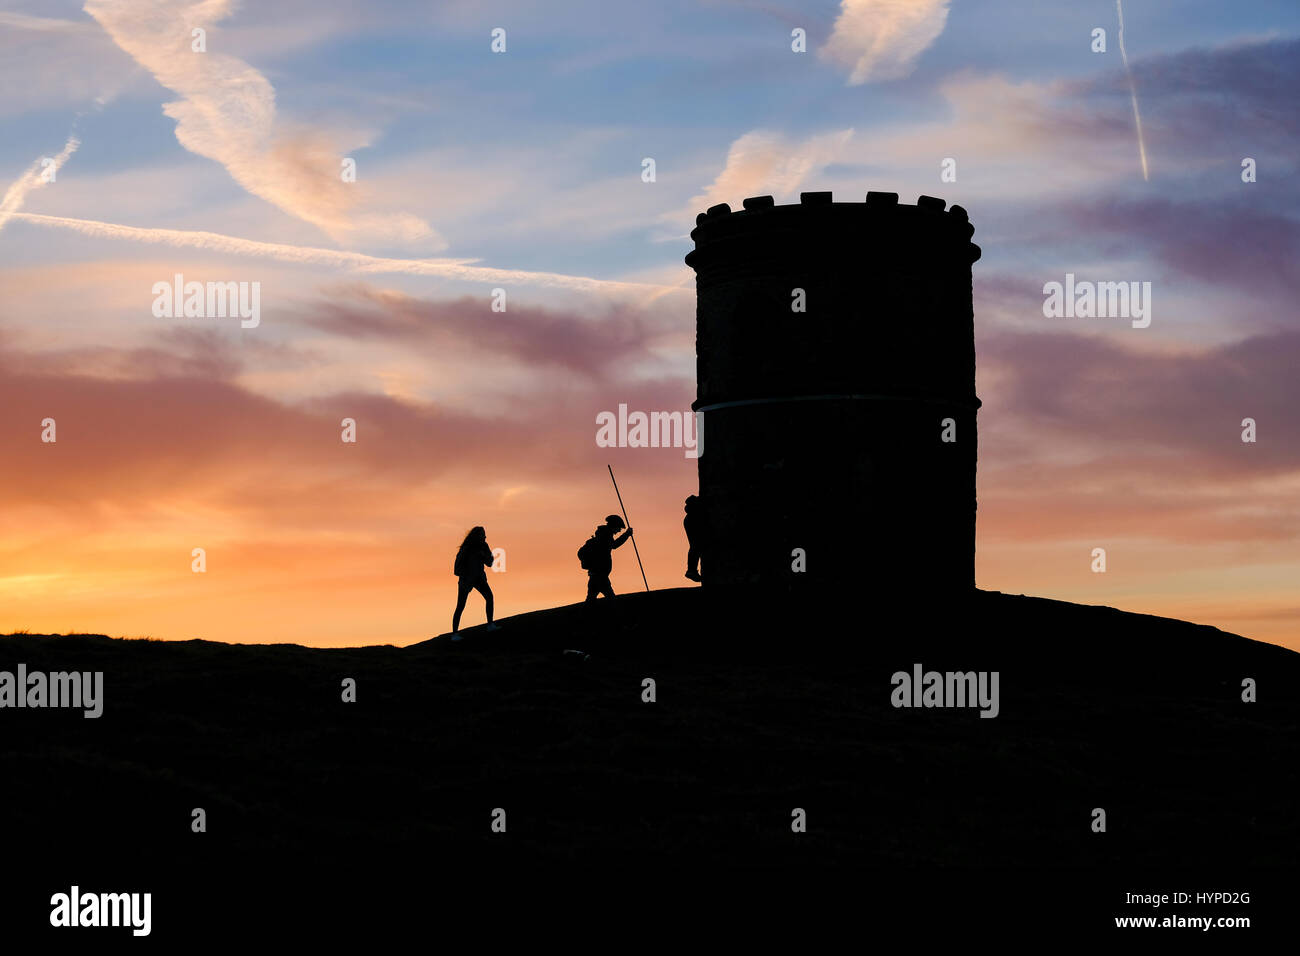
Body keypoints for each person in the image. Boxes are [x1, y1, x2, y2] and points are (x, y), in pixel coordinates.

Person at [451, 526, 499, 638]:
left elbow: (490, 563)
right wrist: (466, 575)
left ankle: (490, 625)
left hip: (479, 579)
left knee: (489, 597)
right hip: (466, 580)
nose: (485, 536)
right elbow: (456, 569)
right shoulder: (466, 548)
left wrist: (484, 556)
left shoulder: (484, 546)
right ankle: (454, 634)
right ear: (477, 536)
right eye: (483, 534)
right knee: (460, 606)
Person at [578, 515, 633, 602]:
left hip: (595, 575)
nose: (619, 530)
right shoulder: (605, 536)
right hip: (600, 576)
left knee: (591, 600)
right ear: (614, 526)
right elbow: (614, 545)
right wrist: (627, 534)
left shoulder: (603, 534)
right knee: (611, 600)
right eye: (619, 528)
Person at [683, 494, 706, 582]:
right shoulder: (693, 514)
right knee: (696, 546)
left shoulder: (692, 513)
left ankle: (691, 570)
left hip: (691, 522)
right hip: (692, 523)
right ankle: (691, 570)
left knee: (695, 546)